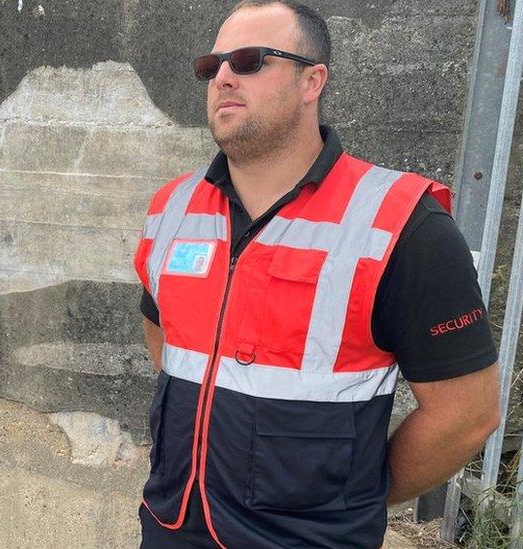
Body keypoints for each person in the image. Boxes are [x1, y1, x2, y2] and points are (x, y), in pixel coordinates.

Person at [133, 2, 501, 547]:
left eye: (251, 59)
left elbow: (466, 415)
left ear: (313, 81)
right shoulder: (174, 206)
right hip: (170, 527)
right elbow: (164, 334)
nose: (224, 77)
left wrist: (353, 495)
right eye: (213, 66)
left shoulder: (403, 224)